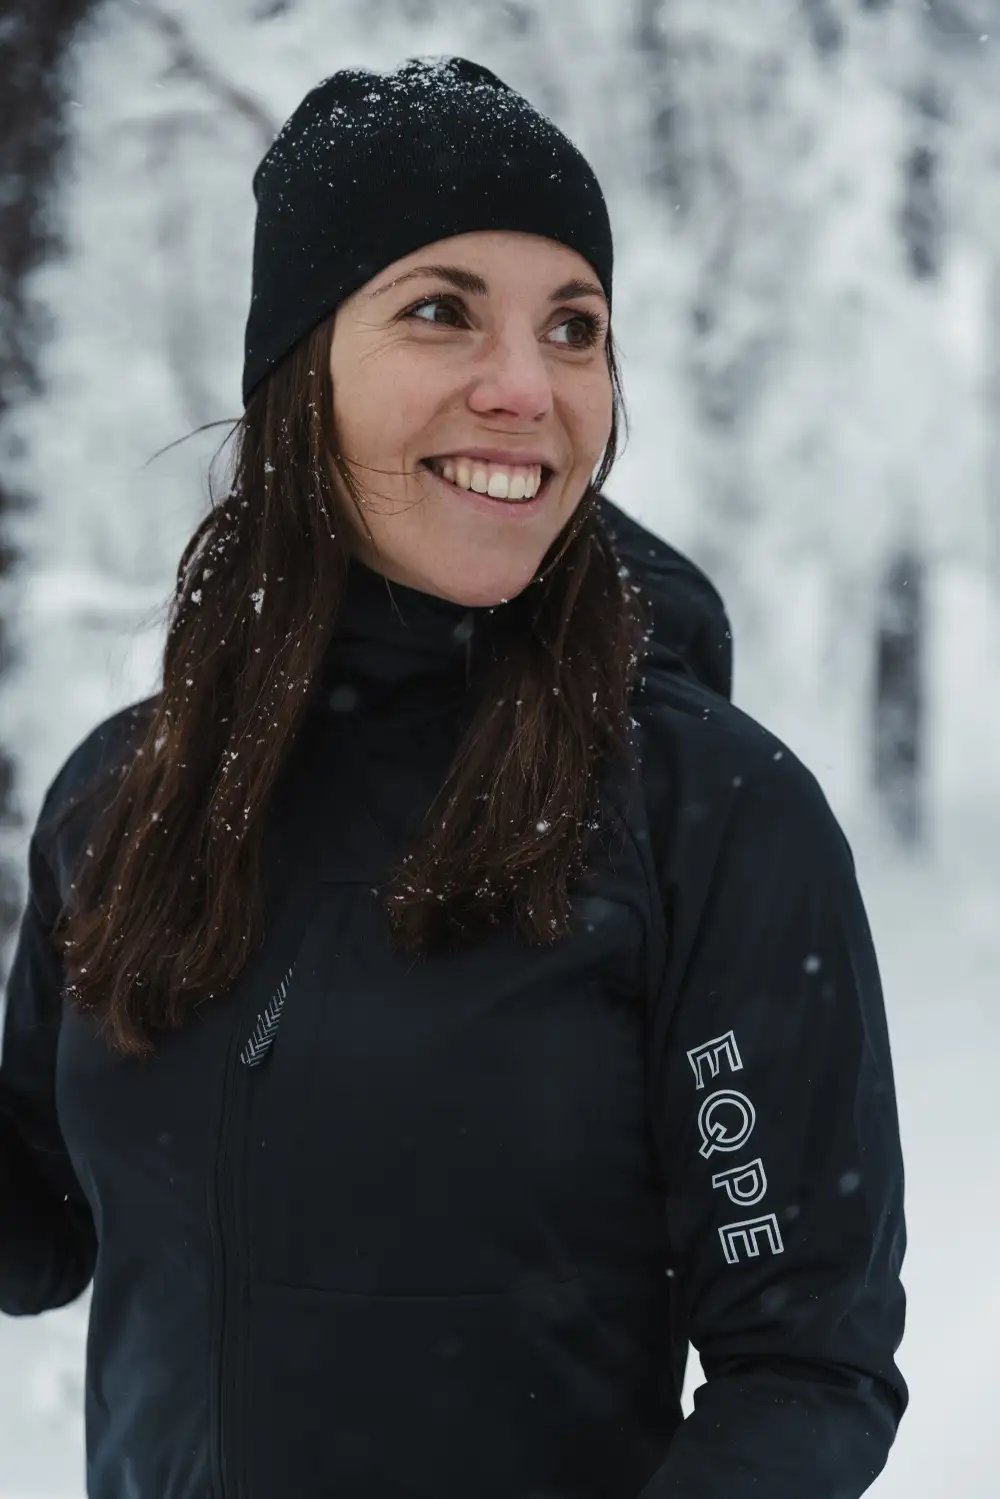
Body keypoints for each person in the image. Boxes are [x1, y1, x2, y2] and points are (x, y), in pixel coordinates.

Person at [0, 55, 907, 1499]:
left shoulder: (705, 811)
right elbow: (41, 1224)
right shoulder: (126, 798)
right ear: (302, 372)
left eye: (575, 328)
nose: (525, 389)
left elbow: (806, 1360)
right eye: (441, 311)